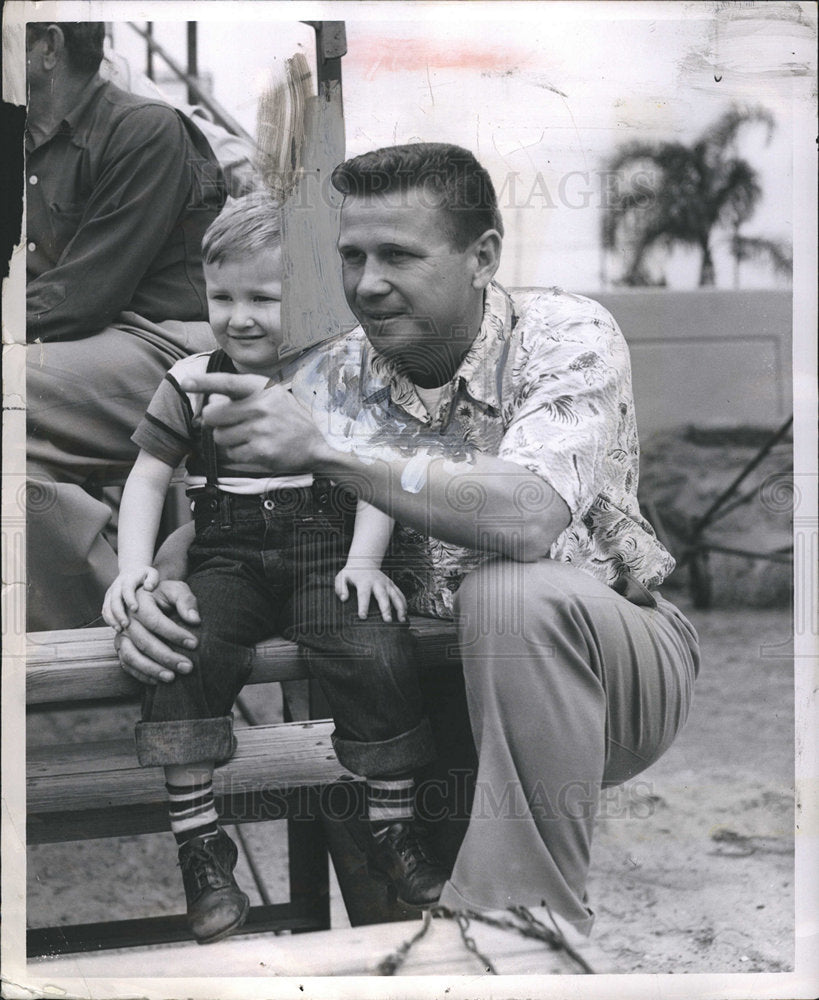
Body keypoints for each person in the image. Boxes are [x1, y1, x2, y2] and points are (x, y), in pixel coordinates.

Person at [115, 143, 700, 935]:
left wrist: (328, 452)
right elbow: (242, 510)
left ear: (482, 256)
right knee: (405, 921)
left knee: (508, 590)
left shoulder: (563, 333)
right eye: (351, 256)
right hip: (419, 692)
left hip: (600, 676)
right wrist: (162, 579)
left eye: (398, 255)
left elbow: (526, 516)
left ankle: (519, 929)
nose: (366, 282)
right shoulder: (331, 368)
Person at [102, 195, 449, 943]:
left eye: (263, 297)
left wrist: (364, 561)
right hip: (227, 556)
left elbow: (375, 472)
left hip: (325, 551)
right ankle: (202, 847)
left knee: (372, 646)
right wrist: (133, 569)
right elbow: (148, 477)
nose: (240, 316)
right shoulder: (192, 378)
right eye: (221, 297)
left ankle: (393, 831)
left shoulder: (341, 375)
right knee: (184, 654)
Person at [25, 21, 225, 630]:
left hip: (169, 353)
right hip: (77, 355)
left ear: (49, 47)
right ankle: (133, 620)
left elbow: (82, 296)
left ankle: (134, 632)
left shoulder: (144, 128)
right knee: (19, 481)